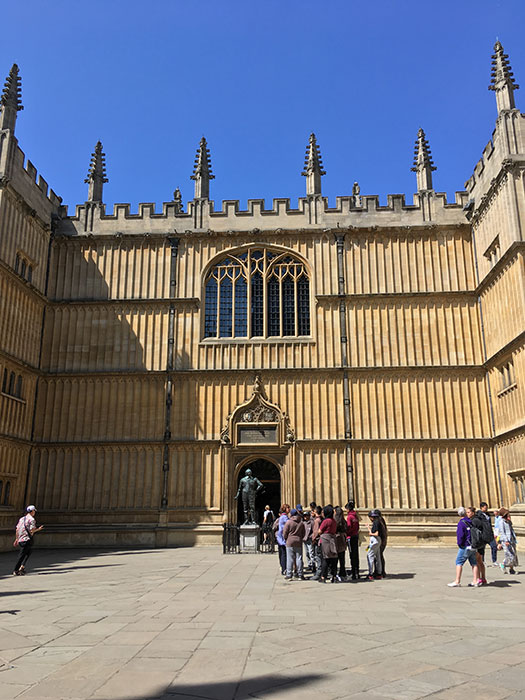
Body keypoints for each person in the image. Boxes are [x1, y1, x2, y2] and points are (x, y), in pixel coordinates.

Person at [448, 506, 480, 587]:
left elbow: (460, 535)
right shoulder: (470, 521)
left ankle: (457, 581)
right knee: (474, 563)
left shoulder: (461, 523)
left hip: (465, 545)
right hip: (472, 545)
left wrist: (460, 544)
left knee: (459, 562)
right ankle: (475, 580)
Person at [13, 506, 44, 576]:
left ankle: (22, 567)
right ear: (32, 511)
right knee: (22, 555)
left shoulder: (22, 519)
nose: (34, 513)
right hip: (26, 539)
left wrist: (17, 539)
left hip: (21, 539)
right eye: (34, 511)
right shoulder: (32, 519)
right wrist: (39, 529)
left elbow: (17, 529)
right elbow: (32, 530)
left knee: (29, 552)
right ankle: (16, 570)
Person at [283, 508, 306, 580]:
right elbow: (303, 533)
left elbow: (285, 533)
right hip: (298, 541)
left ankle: (289, 574)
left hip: (290, 541)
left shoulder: (288, 522)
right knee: (299, 558)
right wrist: (300, 538)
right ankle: (300, 574)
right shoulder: (301, 522)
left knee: (290, 558)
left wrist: (286, 538)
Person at [318, 505, 338, 583]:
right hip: (333, 539)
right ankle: (333, 576)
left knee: (325, 559)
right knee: (333, 559)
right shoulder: (334, 521)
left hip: (325, 540)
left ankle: (323, 577)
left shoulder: (326, 521)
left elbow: (319, 531)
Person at [497, 508, 518, 575]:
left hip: (511, 540)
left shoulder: (508, 521)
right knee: (509, 555)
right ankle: (503, 564)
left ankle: (511, 569)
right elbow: (502, 532)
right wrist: (505, 540)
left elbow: (511, 531)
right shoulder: (501, 522)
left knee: (513, 554)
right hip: (506, 541)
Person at [346, 501, 360, 579]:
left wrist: (347, 533)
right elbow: (357, 526)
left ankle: (354, 572)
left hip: (350, 537)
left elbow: (348, 527)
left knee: (352, 555)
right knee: (356, 554)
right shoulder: (356, 516)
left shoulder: (349, 517)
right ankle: (357, 571)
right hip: (355, 536)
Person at [367, 510, 382, 580]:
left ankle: (370, 574)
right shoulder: (379, 522)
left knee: (370, 556)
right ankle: (379, 573)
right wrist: (368, 528)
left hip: (374, 540)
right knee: (378, 556)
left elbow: (376, 533)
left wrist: (370, 533)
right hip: (377, 540)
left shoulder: (376, 523)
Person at [275, 504, 290, 575]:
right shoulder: (284, 517)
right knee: (284, 554)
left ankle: (283, 567)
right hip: (283, 539)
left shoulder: (282, 517)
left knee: (282, 554)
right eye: (288, 508)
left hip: (280, 538)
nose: (289, 509)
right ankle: (284, 569)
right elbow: (289, 525)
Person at [334, 506, 348, 581]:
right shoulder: (343, 521)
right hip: (342, 539)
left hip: (336, 539)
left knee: (335, 557)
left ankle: (335, 573)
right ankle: (342, 572)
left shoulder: (335, 521)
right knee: (342, 558)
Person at [311, 505, 323, 580]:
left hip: (317, 541)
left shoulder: (316, 521)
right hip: (322, 540)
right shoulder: (322, 519)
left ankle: (319, 572)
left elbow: (315, 532)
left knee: (318, 557)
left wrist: (313, 539)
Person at [376, 509, 388, 577]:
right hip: (383, 541)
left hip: (379, 541)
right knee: (380, 556)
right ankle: (382, 571)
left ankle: (379, 571)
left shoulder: (378, 522)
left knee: (378, 556)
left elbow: (377, 533)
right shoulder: (382, 521)